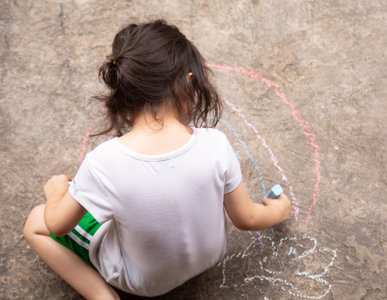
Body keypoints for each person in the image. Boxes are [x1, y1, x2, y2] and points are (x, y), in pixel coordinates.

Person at [23, 19, 291, 299]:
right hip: (210, 257)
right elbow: (246, 217)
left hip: (144, 283)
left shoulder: (104, 163)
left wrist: (56, 192)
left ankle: (101, 295)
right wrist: (279, 212)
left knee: (35, 222)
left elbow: (57, 225)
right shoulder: (215, 144)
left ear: (123, 90)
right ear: (189, 82)